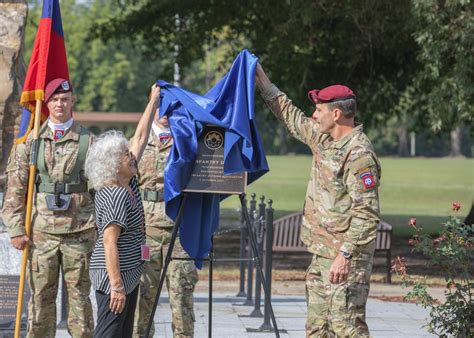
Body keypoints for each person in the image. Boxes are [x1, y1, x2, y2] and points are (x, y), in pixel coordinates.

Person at [255, 64, 381, 337]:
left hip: (345, 260)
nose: (314, 114)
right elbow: (289, 115)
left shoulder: (359, 155)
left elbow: (367, 214)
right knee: (317, 330)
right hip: (321, 255)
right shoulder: (323, 139)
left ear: (336, 114)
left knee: (347, 329)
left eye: (319, 110)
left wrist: (345, 255)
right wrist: (261, 80)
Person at [2, 78, 96, 337]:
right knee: (41, 299)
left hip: (80, 233)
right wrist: (16, 229)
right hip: (40, 234)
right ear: (46, 103)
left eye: (65, 99)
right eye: (54, 99)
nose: (60, 104)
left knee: (79, 299)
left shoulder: (89, 142)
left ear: (72, 102)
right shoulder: (30, 143)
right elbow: (15, 193)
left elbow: (102, 190)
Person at [84, 84, 159, 338]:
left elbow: (140, 137)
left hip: (128, 275)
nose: (132, 156)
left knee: (122, 334)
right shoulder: (115, 193)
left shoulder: (128, 183)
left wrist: (153, 103)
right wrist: (116, 287)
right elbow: (108, 242)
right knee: (109, 333)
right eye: (126, 155)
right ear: (115, 165)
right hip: (114, 280)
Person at [133, 113, 198, 338]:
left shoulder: (187, 138)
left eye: (172, 104)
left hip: (179, 230)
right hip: (145, 231)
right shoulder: (139, 140)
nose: (166, 111)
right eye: (161, 104)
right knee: (142, 297)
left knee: (181, 298)